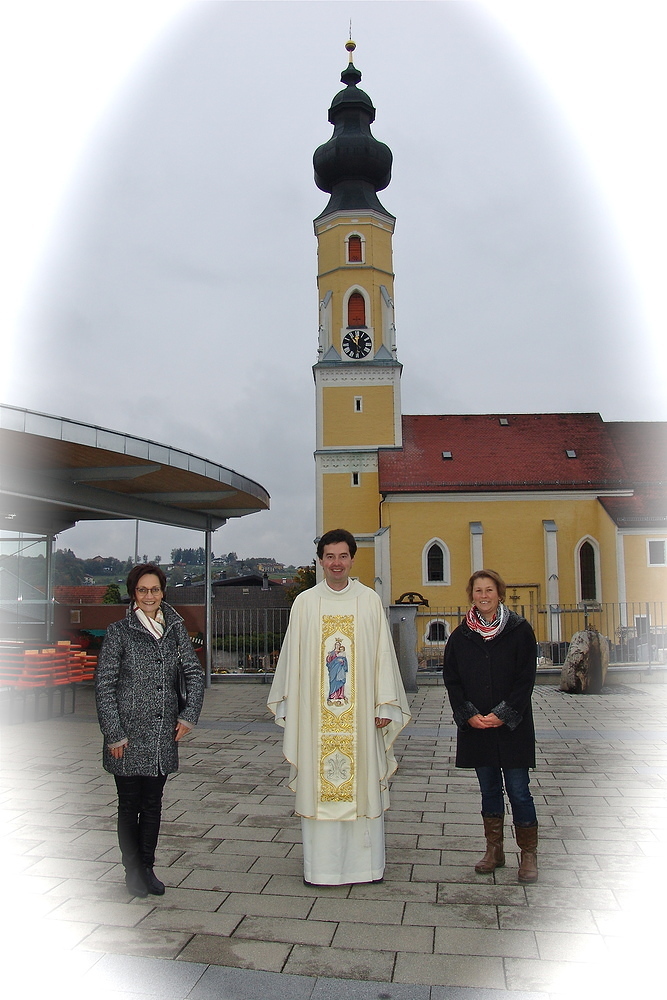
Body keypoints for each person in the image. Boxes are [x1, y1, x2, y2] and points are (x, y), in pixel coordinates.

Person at [268, 528, 411, 886]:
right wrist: (292, 705)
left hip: (360, 717)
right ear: (320, 560)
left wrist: (384, 703)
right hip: (317, 719)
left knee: (362, 785)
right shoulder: (305, 603)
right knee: (320, 787)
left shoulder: (367, 601)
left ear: (352, 559)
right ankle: (322, 869)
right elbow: (293, 661)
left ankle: (366, 867)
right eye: (329, 556)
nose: (336, 563)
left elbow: (381, 657)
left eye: (343, 556)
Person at [95, 562, 204, 898]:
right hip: (126, 738)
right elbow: (105, 685)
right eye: (142, 590)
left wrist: (188, 717)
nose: (149, 595)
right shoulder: (119, 632)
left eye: (154, 589)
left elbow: (194, 674)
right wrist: (113, 732)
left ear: (163, 591)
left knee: (153, 804)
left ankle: (147, 867)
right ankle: (132, 871)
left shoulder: (175, 628)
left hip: (161, 734)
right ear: (133, 594)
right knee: (129, 805)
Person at [442, 569, 539, 883]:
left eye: (489, 590)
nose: (483, 596)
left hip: (512, 727)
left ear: (500, 593)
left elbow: (526, 679)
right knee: (489, 792)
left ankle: (528, 855)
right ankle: (494, 850)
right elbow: (452, 680)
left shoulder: (520, 631)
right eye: (478, 591)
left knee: (519, 791)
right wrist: (468, 713)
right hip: (478, 727)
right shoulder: (460, 636)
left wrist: (506, 712)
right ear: (471, 594)